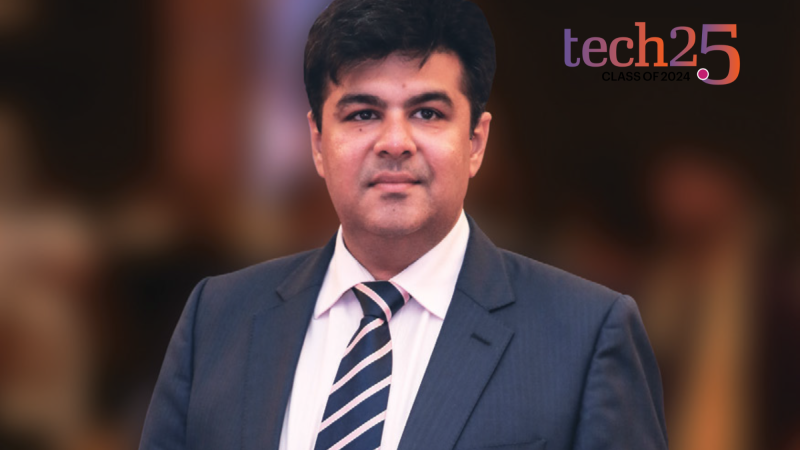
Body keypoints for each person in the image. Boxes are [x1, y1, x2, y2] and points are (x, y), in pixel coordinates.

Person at [139, 0, 668, 449]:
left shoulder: (586, 336)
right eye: (363, 114)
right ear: (318, 143)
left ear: (476, 142)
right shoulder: (217, 319)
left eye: (427, 113)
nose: (395, 142)